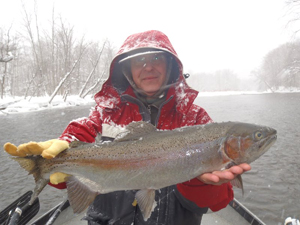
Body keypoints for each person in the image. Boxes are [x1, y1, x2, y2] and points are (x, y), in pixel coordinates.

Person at [4, 30, 251, 225]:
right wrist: (58, 155)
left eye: (156, 58)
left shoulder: (195, 119)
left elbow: (217, 201)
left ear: (170, 66)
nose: (148, 66)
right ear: (127, 70)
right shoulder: (105, 112)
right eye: (139, 61)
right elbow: (77, 140)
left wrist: (200, 179)